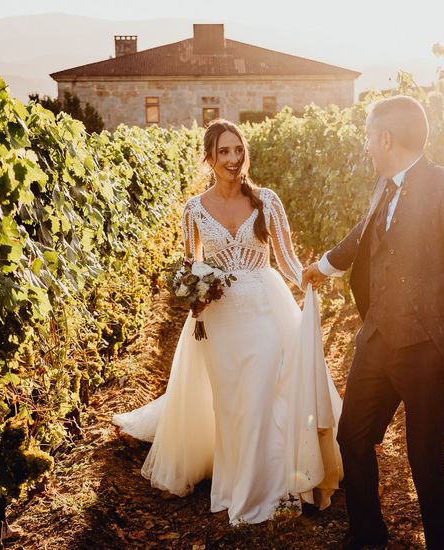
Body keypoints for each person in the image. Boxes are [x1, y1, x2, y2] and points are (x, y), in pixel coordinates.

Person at [113, 119, 342, 525]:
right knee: (232, 404)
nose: (233, 159)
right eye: (224, 152)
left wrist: (308, 277)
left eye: (238, 150)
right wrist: (192, 296)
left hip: (264, 309)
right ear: (210, 158)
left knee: (263, 394)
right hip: (219, 318)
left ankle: (272, 489)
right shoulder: (194, 209)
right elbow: (190, 263)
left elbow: (286, 259)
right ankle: (237, 480)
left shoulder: (267, 201)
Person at [302, 96, 444, 549]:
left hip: (427, 346)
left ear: (386, 138)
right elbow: (364, 231)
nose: (366, 147)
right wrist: (325, 266)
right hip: (377, 337)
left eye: (369, 137)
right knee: (352, 437)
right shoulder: (384, 185)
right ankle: (368, 534)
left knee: (424, 456)